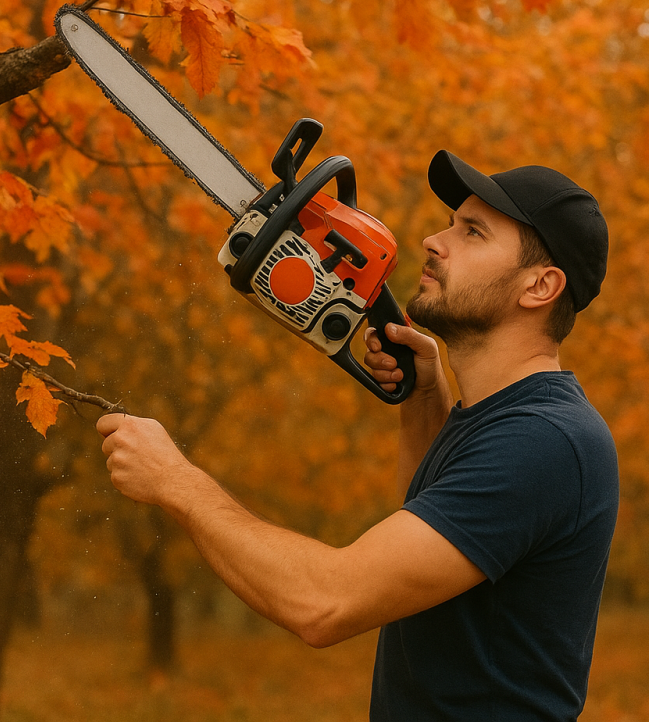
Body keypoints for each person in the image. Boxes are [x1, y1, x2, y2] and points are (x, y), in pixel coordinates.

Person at [97, 149, 619, 721]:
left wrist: (177, 482)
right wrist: (424, 402)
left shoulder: (543, 441)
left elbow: (325, 604)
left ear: (540, 286)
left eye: (473, 232)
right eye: (450, 223)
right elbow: (425, 543)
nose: (434, 241)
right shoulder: (494, 419)